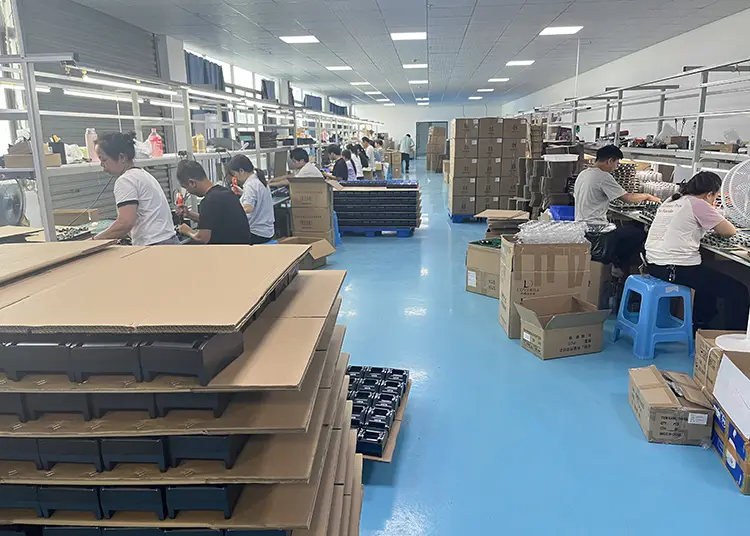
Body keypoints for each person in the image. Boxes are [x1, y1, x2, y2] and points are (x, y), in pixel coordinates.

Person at [645, 171, 749, 331]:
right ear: (709, 194)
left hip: (654, 264)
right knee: (739, 292)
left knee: (707, 278)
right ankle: (731, 337)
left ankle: (701, 325)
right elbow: (729, 231)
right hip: (675, 269)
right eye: (715, 197)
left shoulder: (673, 199)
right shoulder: (698, 204)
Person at [574, 145, 660, 269]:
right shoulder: (603, 176)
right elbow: (627, 198)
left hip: (581, 227)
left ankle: (615, 264)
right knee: (639, 233)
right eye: (616, 163)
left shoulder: (584, 174)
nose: (615, 168)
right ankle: (618, 266)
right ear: (610, 161)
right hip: (597, 231)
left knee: (627, 231)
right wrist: (647, 196)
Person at [93, 132, 178, 245]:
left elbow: (125, 223)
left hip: (154, 245)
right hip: (168, 241)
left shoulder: (126, 180)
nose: (101, 165)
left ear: (122, 157)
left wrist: (94, 241)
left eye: (104, 159)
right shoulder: (142, 174)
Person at [175, 160, 251, 245]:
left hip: (229, 251)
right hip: (242, 247)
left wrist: (186, 230)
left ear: (192, 183)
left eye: (186, 188)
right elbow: (210, 220)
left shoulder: (209, 201)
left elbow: (201, 238)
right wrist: (189, 214)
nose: (188, 191)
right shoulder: (225, 192)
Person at [226, 155, 275, 245]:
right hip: (267, 231)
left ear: (241, 171)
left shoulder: (250, 185)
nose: (235, 177)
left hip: (256, 234)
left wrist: (231, 210)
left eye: (235, 174)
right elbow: (257, 197)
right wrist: (243, 192)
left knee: (226, 237)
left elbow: (248, 208)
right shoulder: (259, 180)